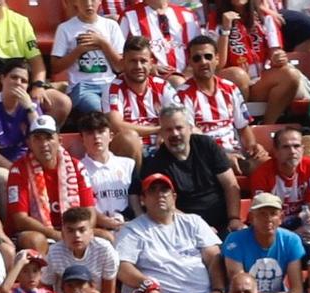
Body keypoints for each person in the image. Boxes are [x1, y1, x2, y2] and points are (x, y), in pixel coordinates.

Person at [117, 172, 228, 293]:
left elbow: (214, 258)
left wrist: (218, 290)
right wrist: (148, 286)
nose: (159, 195)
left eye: (164, 190)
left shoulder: (194, 221)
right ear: (143, 200)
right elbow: (122, 267)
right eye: (152, 191)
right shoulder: (132, 229)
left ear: (174, 197)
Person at [0, 0, 71, 127]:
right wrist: (5, 90)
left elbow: (37, 62)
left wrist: (38, 86)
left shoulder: (20, 22)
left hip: (19, 81)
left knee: (62, 102)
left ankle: (41, 140)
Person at [131, 104, 240, 235]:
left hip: (225, 223)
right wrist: (199, 227)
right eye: (168, 130)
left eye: (179, 128)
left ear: (190, 128)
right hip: (186, 229)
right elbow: (166, 206)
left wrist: (234, 218)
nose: (174, 134)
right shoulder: (157, 163)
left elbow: (230, 185)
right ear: (162, 133)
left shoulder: (207, 145)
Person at [8, 115, 101, 248]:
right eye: (37, 139)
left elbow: (89, 211)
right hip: (39, 231)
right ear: (29, 143)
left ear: (60, 140)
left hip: (72, 230)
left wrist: (81, 233)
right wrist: (55, 235)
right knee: (35, 240)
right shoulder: (18, 170)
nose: (44, 144)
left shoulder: (76, 166)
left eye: (49, 138)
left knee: (106, 237)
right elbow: (20, 219)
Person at [175, 35, 262, 170]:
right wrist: (222, 156)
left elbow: (243, 127)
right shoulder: (182, 94)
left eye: (208, 57)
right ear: (190, 62)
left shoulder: (230, 88)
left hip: (235, 153)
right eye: (197, 58)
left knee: (265, 161)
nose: (203, 62)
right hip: (203, 158)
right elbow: (192, 138)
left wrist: (253, 147)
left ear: (217, 58)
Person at [224, 192, 309, 293]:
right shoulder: (235, 241)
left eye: (273, 214)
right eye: (262, 214)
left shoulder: (291, 240)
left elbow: (297, 288)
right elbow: (239, 287)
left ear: (281, 218)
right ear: (252, 218)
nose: (268, 219)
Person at [51, 0, 127, 115]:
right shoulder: (65, 28)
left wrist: (103, 44)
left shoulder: (111, 26)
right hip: (82, 87)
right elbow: (55, 67)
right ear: (75, 2)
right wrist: (79, 51)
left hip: (110, 84)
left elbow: (120, 66)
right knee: (101, 113)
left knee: (118, 112)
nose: (89, 4)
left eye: (93, 0)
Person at [247, 125, 310, 233]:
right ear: (276, 151)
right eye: (286, 147)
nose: (292, 151)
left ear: (303, 149)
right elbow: (262, 214)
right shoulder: (261, 173)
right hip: (273, 223)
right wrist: (294, 235)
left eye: (296, 146)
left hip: (299, 219)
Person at [107, 40, 171, 160]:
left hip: (160, 145)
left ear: (151, 63)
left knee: (190, 132)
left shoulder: (163, 86)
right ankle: (136, 179)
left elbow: (178, 118)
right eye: (133, 61)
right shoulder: (112, 88)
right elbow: (116, 126)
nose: (138, 66)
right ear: (123, 63)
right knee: (129, 138)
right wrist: (159, 129)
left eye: (143, 61)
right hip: (131, 150)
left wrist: (166, 132)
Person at [121, 0, 204, 79]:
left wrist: (189, 70)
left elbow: (200, 49)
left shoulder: (188, 15)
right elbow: (120, 55)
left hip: (189, 78)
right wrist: (149, 67)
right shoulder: (129, 16)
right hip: (151, 81)